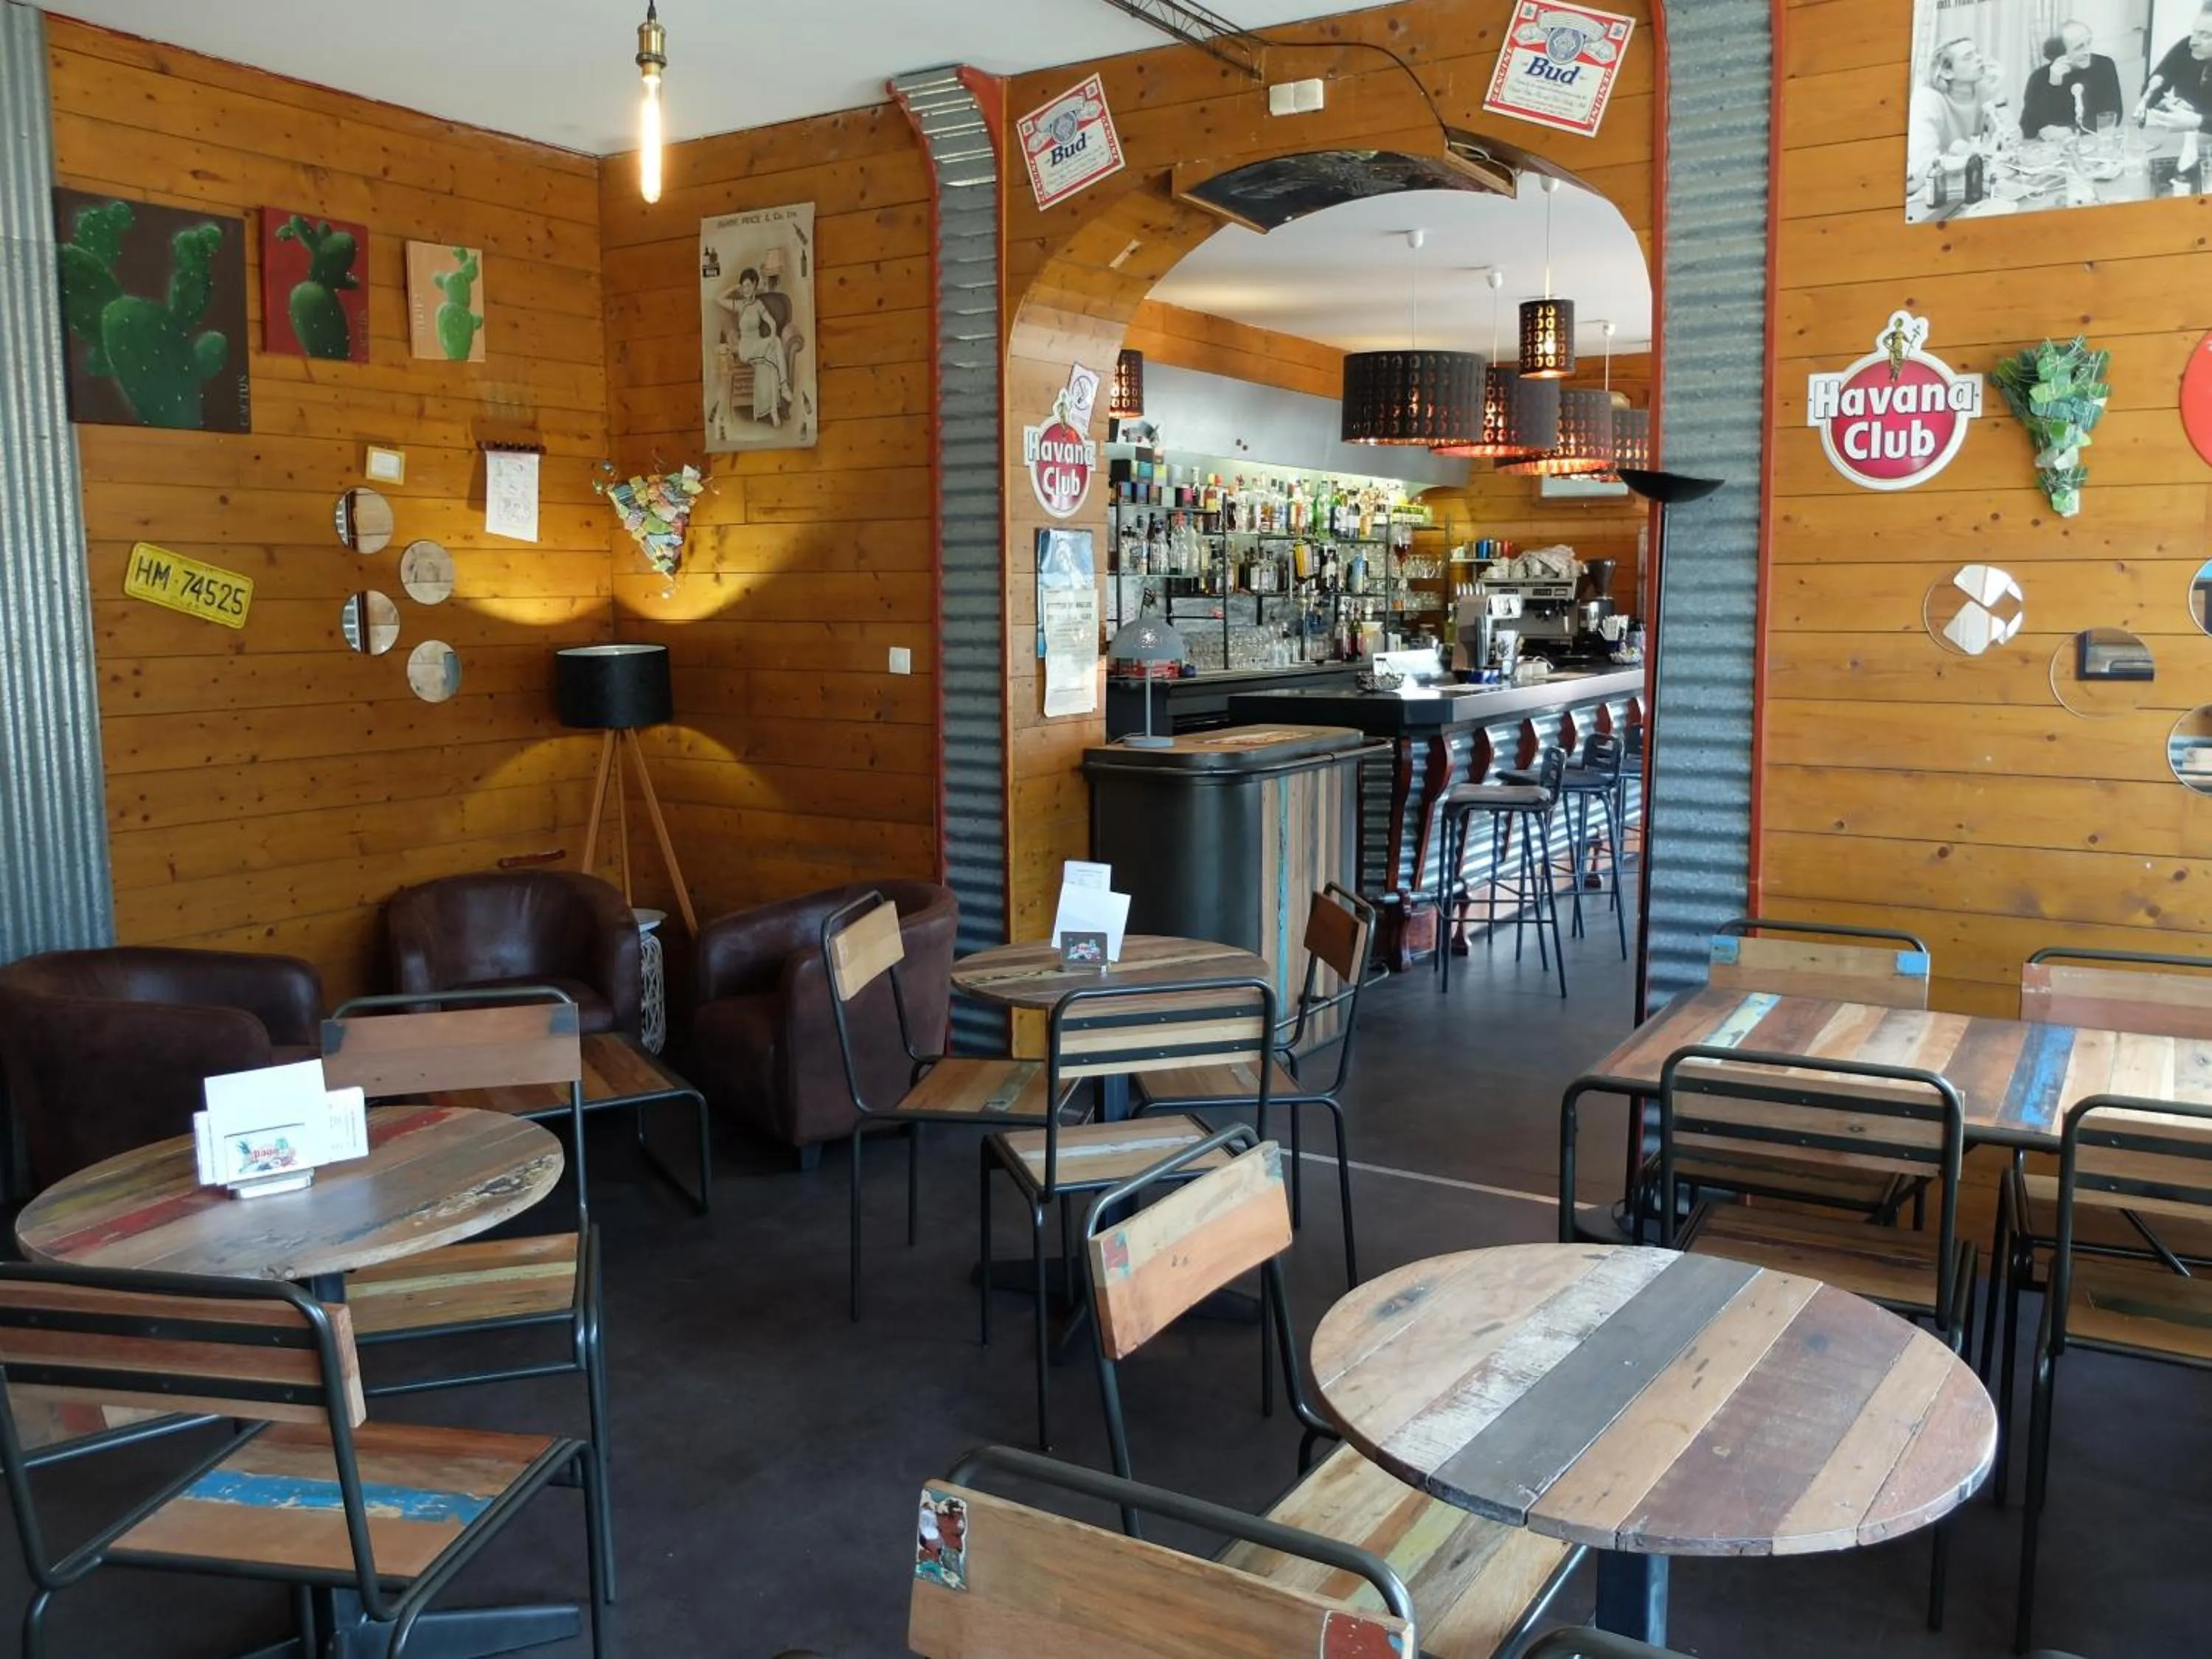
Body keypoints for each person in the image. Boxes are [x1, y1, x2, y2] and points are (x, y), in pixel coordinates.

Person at [1907, 38, 2008, 187]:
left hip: (1968, 182)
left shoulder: (1983, 91)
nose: (1979, 58)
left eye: (1977, 53)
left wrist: (1997, 95)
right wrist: (1976, 158)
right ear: (1947, 72)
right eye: (1968, 57)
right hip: (1928, 189)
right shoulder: (1927, 99)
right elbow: (1925, 166)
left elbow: (2011, 143)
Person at [714, 266, 789, 429]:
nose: (746, 289)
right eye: (744, 286)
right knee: (774, 347)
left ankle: (774, 411)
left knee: (771, 356)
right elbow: (718, 299)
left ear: (755, 285)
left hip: (759, 345)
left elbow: (772, 323)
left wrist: (771, 336)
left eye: (749, 285)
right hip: (746, 348)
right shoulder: (740, 305)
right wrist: (735, 287)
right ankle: (784, 388)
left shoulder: (759, 305)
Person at [2021, 21, 2124, 138]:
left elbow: (2113, 116)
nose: (2087, 52)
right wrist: (2053, 86)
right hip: (2053, 150)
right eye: (2079, 47)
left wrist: (2071, 131)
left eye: (2088, 43)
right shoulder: (2039, 77)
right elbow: (2028, 128)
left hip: (2093, 142)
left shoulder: (2104, 66)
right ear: (2061, 52)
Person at [2141, 5, 2212, 131]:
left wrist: (2199, 121)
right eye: (2194, 32)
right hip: (2187, 138)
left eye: (2205, 35)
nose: (2193, 42)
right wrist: (2169, 104)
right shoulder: (2185, 48)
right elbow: (2152, 88)